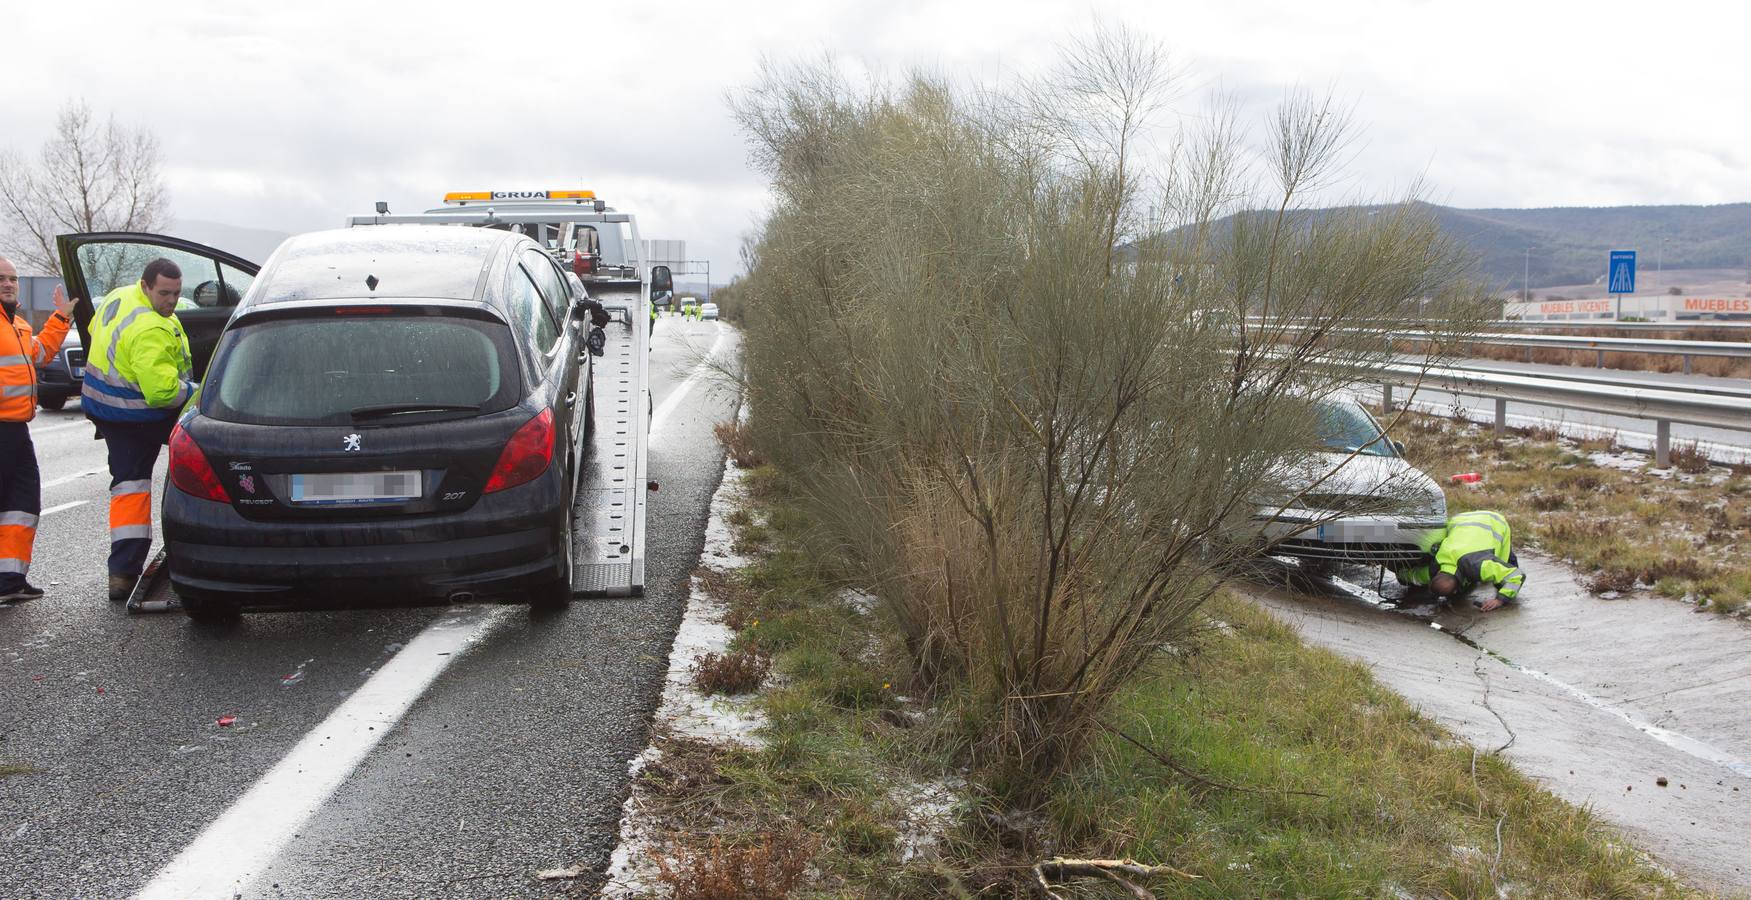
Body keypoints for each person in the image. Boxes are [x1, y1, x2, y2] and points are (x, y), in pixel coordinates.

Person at [81, 258, 196, 603]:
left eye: (176, 293)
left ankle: (122, 572)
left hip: (105, 407)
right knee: (200, 464)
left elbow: (92, 332)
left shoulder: (118, 296)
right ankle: (202, 548)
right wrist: (196, 391)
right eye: (164, 293)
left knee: (129, 486)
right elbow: (161, 393)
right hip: (140, 411)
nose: (171, 301)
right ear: (146, 286)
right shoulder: (151, 328)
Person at [0, 257, 74, 603]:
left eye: (13, 278)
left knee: (22, 503)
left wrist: (61, 318)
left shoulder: (18, 325)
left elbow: (39, 354)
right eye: (1, 278)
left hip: (16, 431)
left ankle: (10, 578)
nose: (9, 283)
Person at [1396, 509, 1524, 611]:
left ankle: (1506, 585)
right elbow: (1416, 576)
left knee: (1503, 576)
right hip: (1460, 519)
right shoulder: (1436, 565)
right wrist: (1401, 575)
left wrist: (1499, 600)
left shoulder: (1480, 566)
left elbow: (1517, 576)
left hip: (1493, 522)